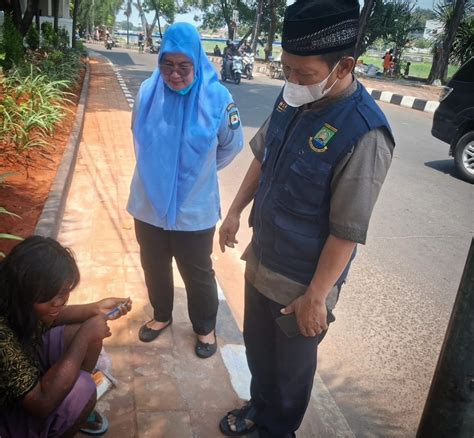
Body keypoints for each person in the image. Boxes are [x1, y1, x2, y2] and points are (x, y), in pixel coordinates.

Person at [218, 0, 395, 436]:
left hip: (302, 285)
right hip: (262, 261)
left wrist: (317, 296)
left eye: (305, 74)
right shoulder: (292, 97)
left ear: (343, 66)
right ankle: (258, 410)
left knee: (290, 378)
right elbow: (263, 156)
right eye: (287, 71)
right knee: (259, 354)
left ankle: (277, 430)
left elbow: (346, 229)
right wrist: (236, 211)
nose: (293, 82)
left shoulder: (364, 132)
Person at [127, 23, 243, 359]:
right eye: (167, 64)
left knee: (198, 272)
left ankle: (205, 328)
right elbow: (139, 134)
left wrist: (194, 174)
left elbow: (231, 146)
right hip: (148, 204)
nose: (174, 74)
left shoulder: (219, 98)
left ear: (197, 62)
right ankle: (162, 314)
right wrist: (162, 176)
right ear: (159, 61)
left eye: (183, 66)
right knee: (153, 263)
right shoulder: (148, 93)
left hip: (194, 209)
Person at [0, 236, 132, 437]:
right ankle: (64, 415)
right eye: (54, 296)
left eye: (64, 293)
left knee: (86, 336)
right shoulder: (3, 339)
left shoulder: (13, 294)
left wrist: (94, 308)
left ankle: (71, 406)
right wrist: (85, 335)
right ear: (25, 289)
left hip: (23, 362)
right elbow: (40, 404)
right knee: (83, 387)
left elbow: (49, 315)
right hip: (8, 412)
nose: (60, 302)